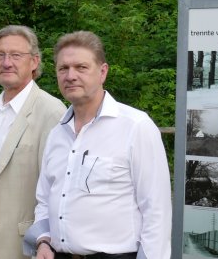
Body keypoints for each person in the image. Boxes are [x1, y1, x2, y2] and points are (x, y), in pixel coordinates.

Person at [25, 31, 171, 259]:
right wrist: (43, 241)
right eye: (63, 68)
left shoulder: (135, 126)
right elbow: (44, 199)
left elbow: (157, 211)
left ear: (103, 72)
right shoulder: (57, 133)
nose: (70, 76)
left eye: (81, 67)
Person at [0, 25, 66, 259]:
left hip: (26, 244)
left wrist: (45, 241)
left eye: (16, 55)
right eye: (0, 55)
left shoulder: (50, 112)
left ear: (35, 61)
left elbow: (57, 189)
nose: (7, 62)